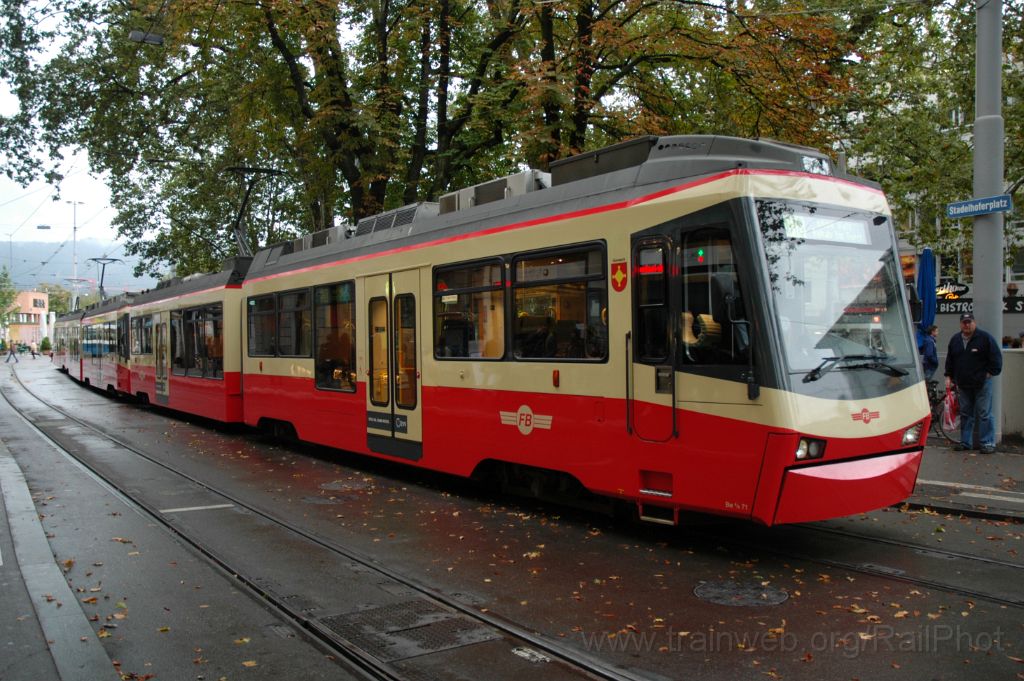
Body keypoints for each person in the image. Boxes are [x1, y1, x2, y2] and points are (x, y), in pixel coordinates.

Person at [944, 313, 1002, 453]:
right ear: (960, 324)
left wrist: (989, 373)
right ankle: (965, 442)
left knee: (984, 413)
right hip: (963, 384)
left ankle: (988, 443)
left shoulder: (985, 338)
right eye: (964, 322)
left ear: (974, 323)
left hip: (982, 384)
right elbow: (950, 360)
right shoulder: (955, 340)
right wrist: (948, 376)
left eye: (969, 322)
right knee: (965, 414)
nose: (967, 325)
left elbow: (996, 358)